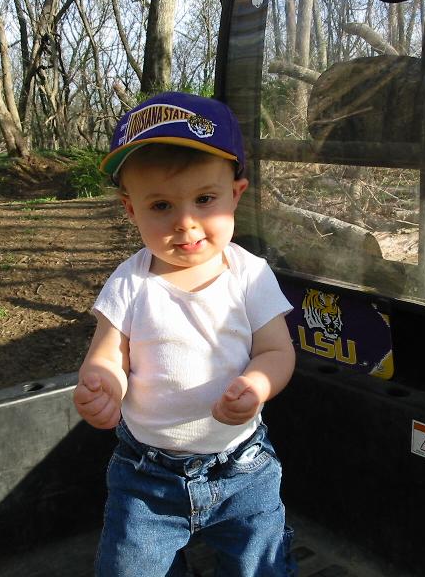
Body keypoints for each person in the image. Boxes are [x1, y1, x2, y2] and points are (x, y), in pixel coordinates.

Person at [73, 91, 297, 577]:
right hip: (146, 476)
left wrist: (258, 383)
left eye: (204, 199)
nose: (186, 223)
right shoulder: (129, 283)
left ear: (236, 194)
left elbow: (277, 351)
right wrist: (103, 383)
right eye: (161, 205)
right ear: (131, 209)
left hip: (242, 468)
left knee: (261, 567)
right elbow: (107, 355)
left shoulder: (250, 276)